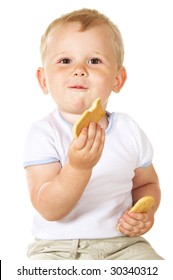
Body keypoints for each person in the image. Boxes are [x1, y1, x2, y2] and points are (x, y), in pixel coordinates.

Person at [24, 8, 163, 260]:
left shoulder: (129, 130)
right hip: (57, 249)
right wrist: (78, 168)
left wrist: (146, 212)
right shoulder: (44, 133)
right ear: (43, 80)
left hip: (124, 246)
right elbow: (49, 208)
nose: (79, 70)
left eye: (94, 61)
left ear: (117, 79)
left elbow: (147, 184)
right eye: (65, 61)